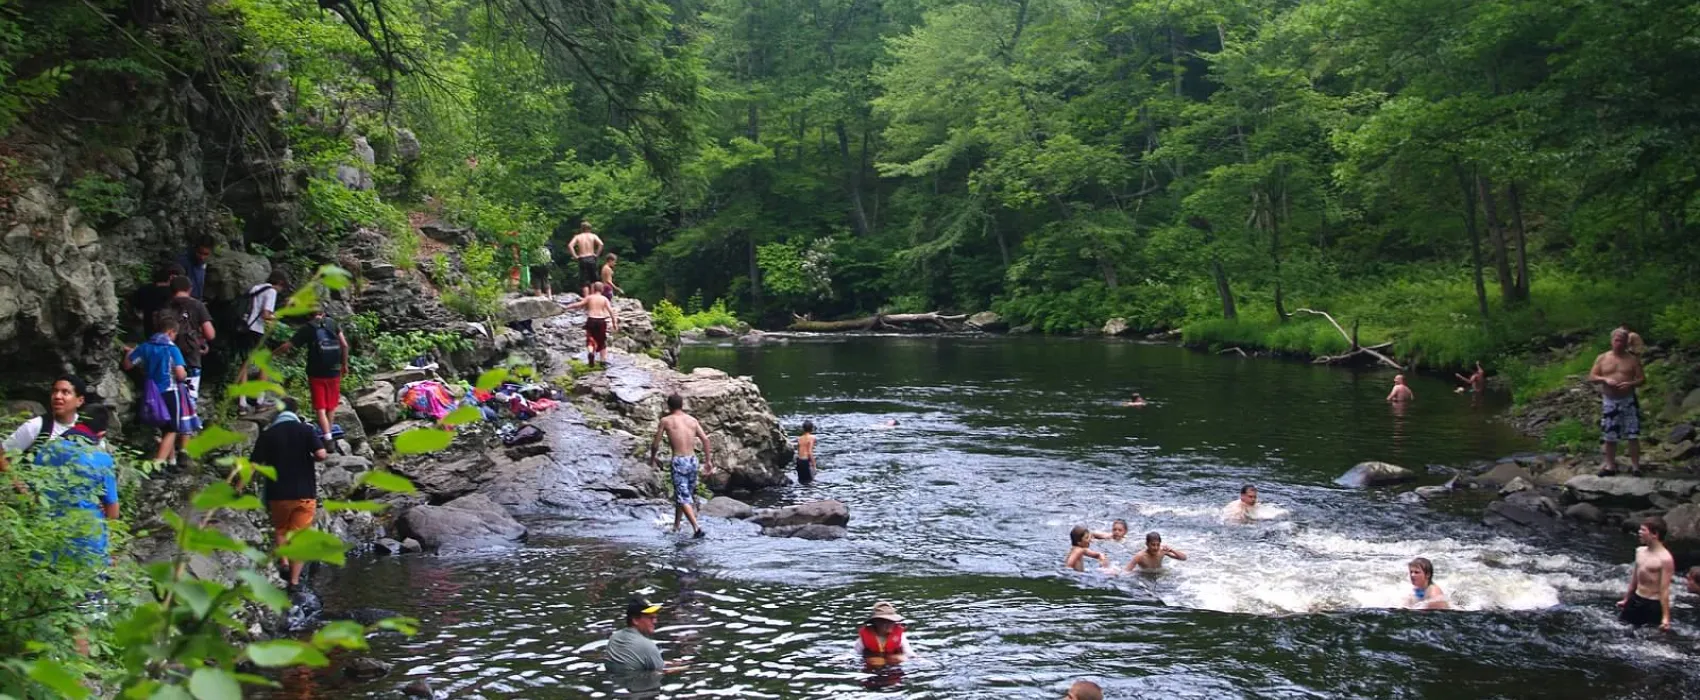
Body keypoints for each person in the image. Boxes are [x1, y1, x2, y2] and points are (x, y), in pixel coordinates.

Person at [252, 397, 328, 591]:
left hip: (278, 493)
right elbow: (321, 454)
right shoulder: (306, 430)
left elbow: (254, 464)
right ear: (296, 411)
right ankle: (294, 582)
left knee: (280, 529)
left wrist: (237, 487)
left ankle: (284, 562)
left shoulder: (268, 433)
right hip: (304, 492)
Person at [276, 310, 349, 449]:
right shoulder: (332, 323)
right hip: (334, 370)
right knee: (331, 406)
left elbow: (287, 346)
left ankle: (327, 439)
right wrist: (344, 364)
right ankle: (329, 435)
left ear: (308, 315)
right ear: (323, 312)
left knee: (320, 407)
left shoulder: (308, 328)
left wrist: (271, 355)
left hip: (316, 373)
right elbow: (344, 345)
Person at [123, 310, 190, 463]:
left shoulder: (145, 347)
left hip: (151, 393)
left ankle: (171, 462)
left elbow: (127, 365)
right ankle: (157, 464)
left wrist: (130, 352)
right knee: (172, 429)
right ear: (171, 332)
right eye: (175, 334)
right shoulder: (172, 349)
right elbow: (180, 374)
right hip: (169, 392)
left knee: (164, 428)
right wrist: (185, 375)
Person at [650, 393, 715, 538]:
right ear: (682, 405)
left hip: (679, 461)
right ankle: (676, 526)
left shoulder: (666, 421)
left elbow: (655, 443)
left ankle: (696, 528)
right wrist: (708, 461)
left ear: (669, 406)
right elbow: (705, 439)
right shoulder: (692, 420)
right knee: (684, 494)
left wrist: (652, 458)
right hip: (692, 460)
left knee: (683, 496)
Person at [0, 375, 90, 473]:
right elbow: (2, 454)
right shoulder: (36, 426)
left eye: (65, 392)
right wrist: (18, 483)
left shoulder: (87, 428)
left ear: (79, 401)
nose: (57, 396)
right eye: (55, 391)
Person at [1589, 328, 1646, 476]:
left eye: (1621, 340)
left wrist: (1630, 384)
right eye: (1616, 340)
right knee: (1610, 435)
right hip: (1610, 401)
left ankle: (1635, 467)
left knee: (1632, 434)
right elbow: (1592, 377)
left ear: (1626, 342)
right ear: (1612, 340)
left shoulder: (1632, 359)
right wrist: (1605, 379)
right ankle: (1610, 466)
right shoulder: (1602, 358)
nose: (1618, 343)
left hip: (1628, 400)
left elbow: (1641, 379)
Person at [236, 270, 288, 414]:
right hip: (256, 330)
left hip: (244, 328)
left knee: (245, 364)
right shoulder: (271, 291)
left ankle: (242, 404)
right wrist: (277, 316)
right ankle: (260, 401)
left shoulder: (256, 288)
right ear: (280, 284)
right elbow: (266, 314)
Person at [1617, 516, 1674, 631]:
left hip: (1652, 605)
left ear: (1655, 534)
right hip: (1635, 599)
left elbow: (1664, 590)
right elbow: (1634, 579)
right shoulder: (1640, 551)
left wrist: (1666, 617)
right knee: (1620, 630)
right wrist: (1626, 599)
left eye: (1643, 530)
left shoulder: (1665, 559)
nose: (1639, 532)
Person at [605, 595, 686, 674]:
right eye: (651, 618)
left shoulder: (614, 638)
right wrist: (689, 668)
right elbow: (661, 671)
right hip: (641, 684)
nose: (655, 622)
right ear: (635, 620)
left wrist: (671, 663)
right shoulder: (648, 646)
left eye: (655, 617)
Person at [167, 274, 215, 403]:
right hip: (191, 356)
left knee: (171, 398)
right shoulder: (197, 305)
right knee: (189, 398)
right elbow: (210, 334)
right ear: (190, 289)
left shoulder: (165, 306)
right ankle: (188, 419)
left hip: (168, 358)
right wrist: (201, 341)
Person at [564, 282, 618, 367]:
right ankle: (603, 361)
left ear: (593, 289)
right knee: (602, 341)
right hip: (601, 321)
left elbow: (578, 304)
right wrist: (614, 323)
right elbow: (611, 311)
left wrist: (567, 307)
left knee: (590, 339)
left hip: (591, 320)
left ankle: (590, 353)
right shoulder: (604, 299)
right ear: (602, 290)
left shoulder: (589, 297)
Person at [131, 264, 181, 339]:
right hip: (168, 333)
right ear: (172, 277)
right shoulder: (173, 294)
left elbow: (136, 307)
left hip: (147, 330)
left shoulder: (144, 289)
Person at [856, 601, 909, 667]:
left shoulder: (901, 636)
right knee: (877, 662)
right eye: (884, 622)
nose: (889, 625)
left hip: (893, 664)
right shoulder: (864, 636)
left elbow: (909, 653)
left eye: (891, 621)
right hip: (872, 665)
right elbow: (857, 654)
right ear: (876, 622)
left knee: (901, 658)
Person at [568, 221, 604, 296]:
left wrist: (575, 256)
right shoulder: (593, 236)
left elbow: (570, 245)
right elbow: (601, 244)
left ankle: (586, 298)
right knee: (593, 279)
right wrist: (597, 254)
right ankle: (594, 296)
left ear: (581, 229)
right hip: (591, 257)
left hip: (582, 258)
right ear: (590, 228)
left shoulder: (578, 236)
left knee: (584, 281)